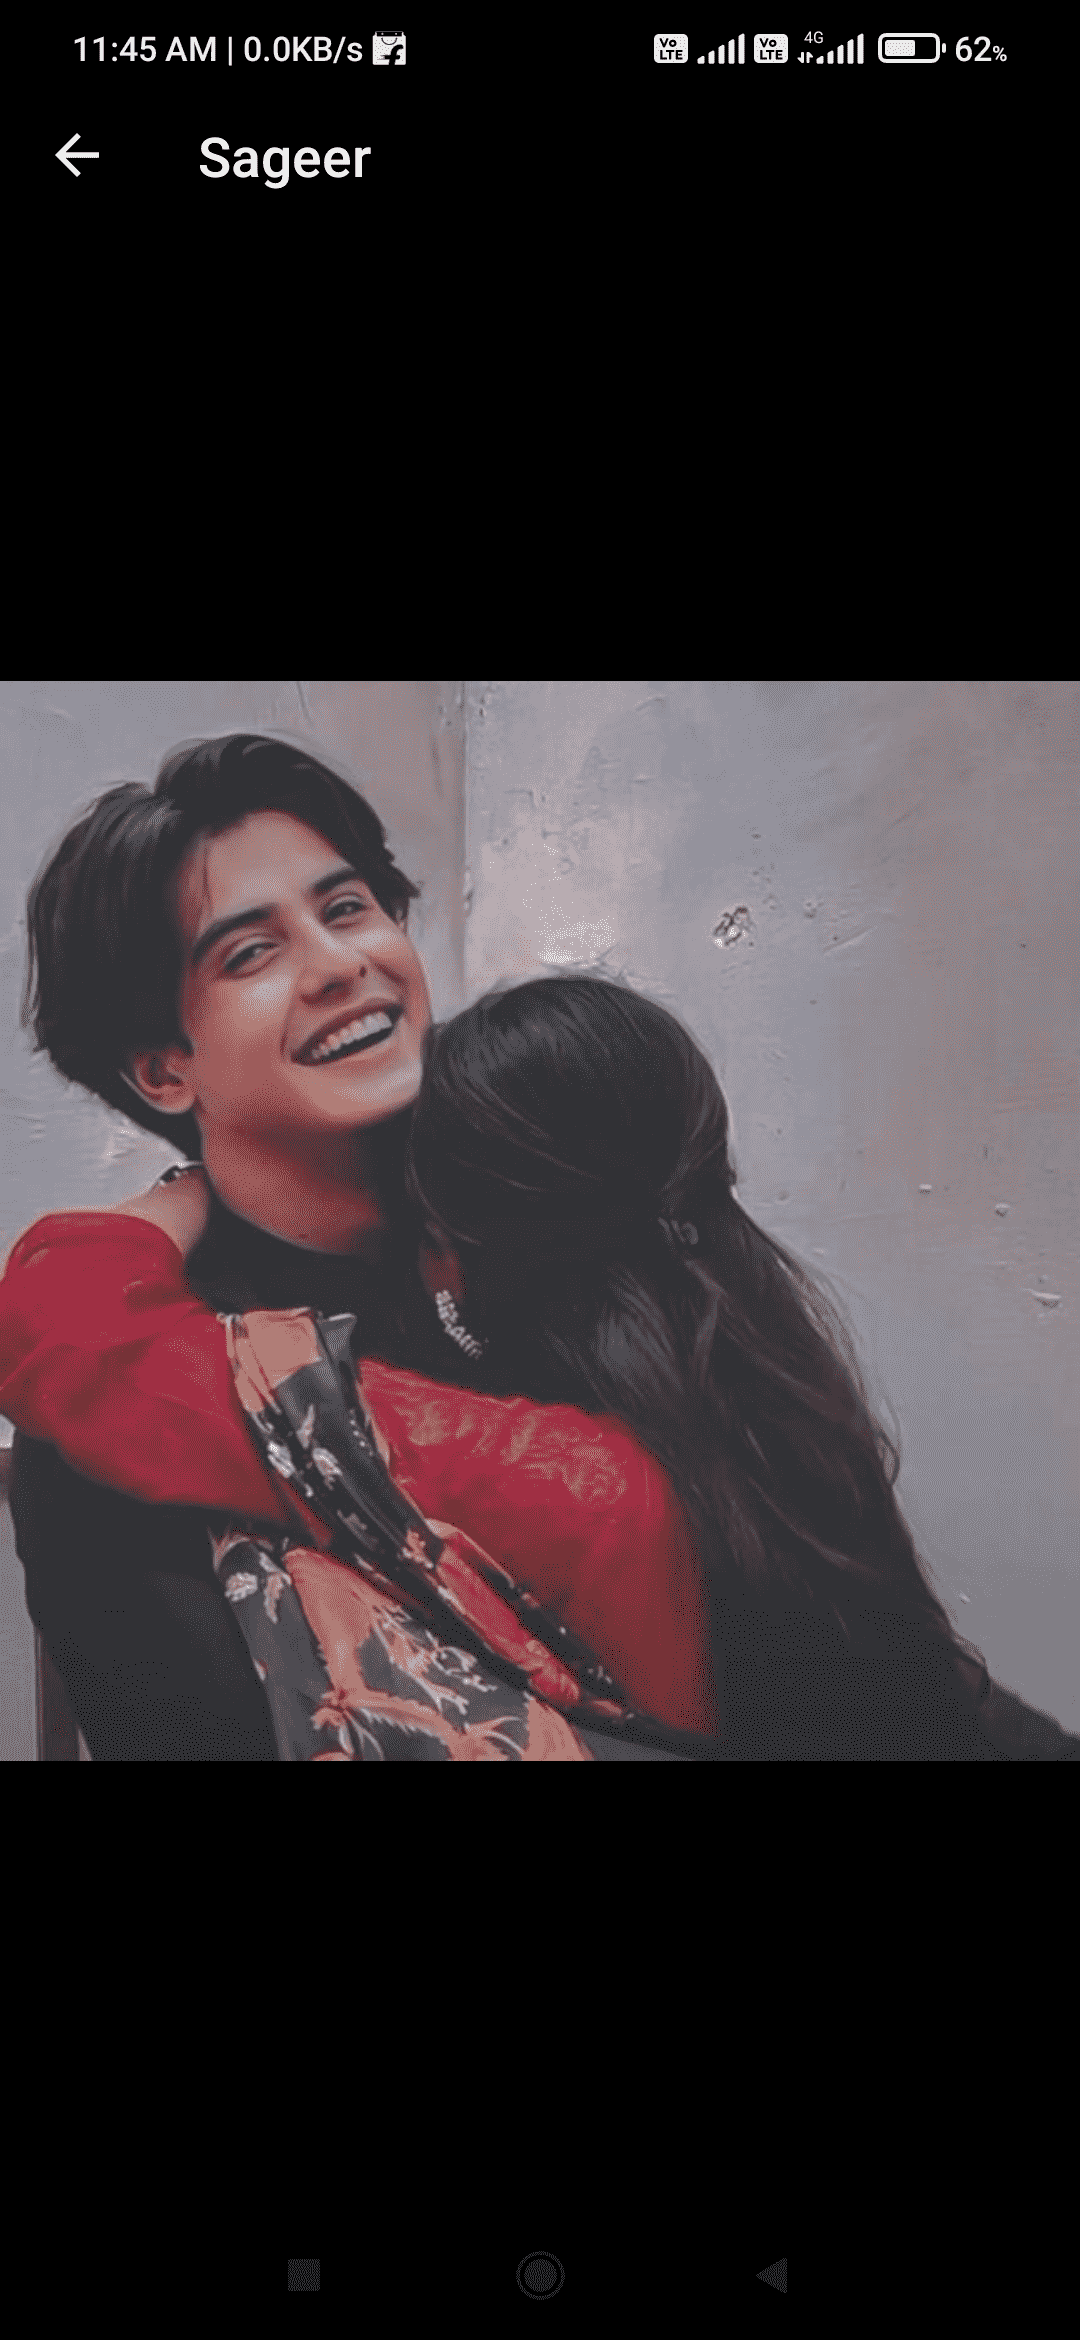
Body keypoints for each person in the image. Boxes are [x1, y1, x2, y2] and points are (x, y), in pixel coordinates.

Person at [6, 735, 1076, 1762]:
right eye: (251, 953)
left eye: (347, 907)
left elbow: (851, 1628)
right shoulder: (115, 1417)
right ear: (163, 1070)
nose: (341, 964)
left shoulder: (562, 1223)